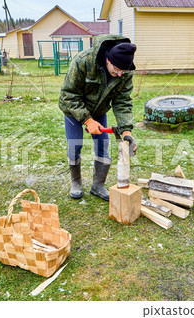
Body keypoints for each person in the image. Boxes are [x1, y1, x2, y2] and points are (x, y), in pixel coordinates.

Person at [59, 34, 138, 201]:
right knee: (75, 145)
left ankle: (98, 186)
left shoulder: (124, 72)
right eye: (116, 70)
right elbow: (68, 95)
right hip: (73, 110)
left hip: (99, 110)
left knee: (103, 146)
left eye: (123, 72)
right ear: (108, 60)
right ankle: (76, 182)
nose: (119, 75)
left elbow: (122, 102)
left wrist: (126, 131)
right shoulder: (84, 61)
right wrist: (87, 120)